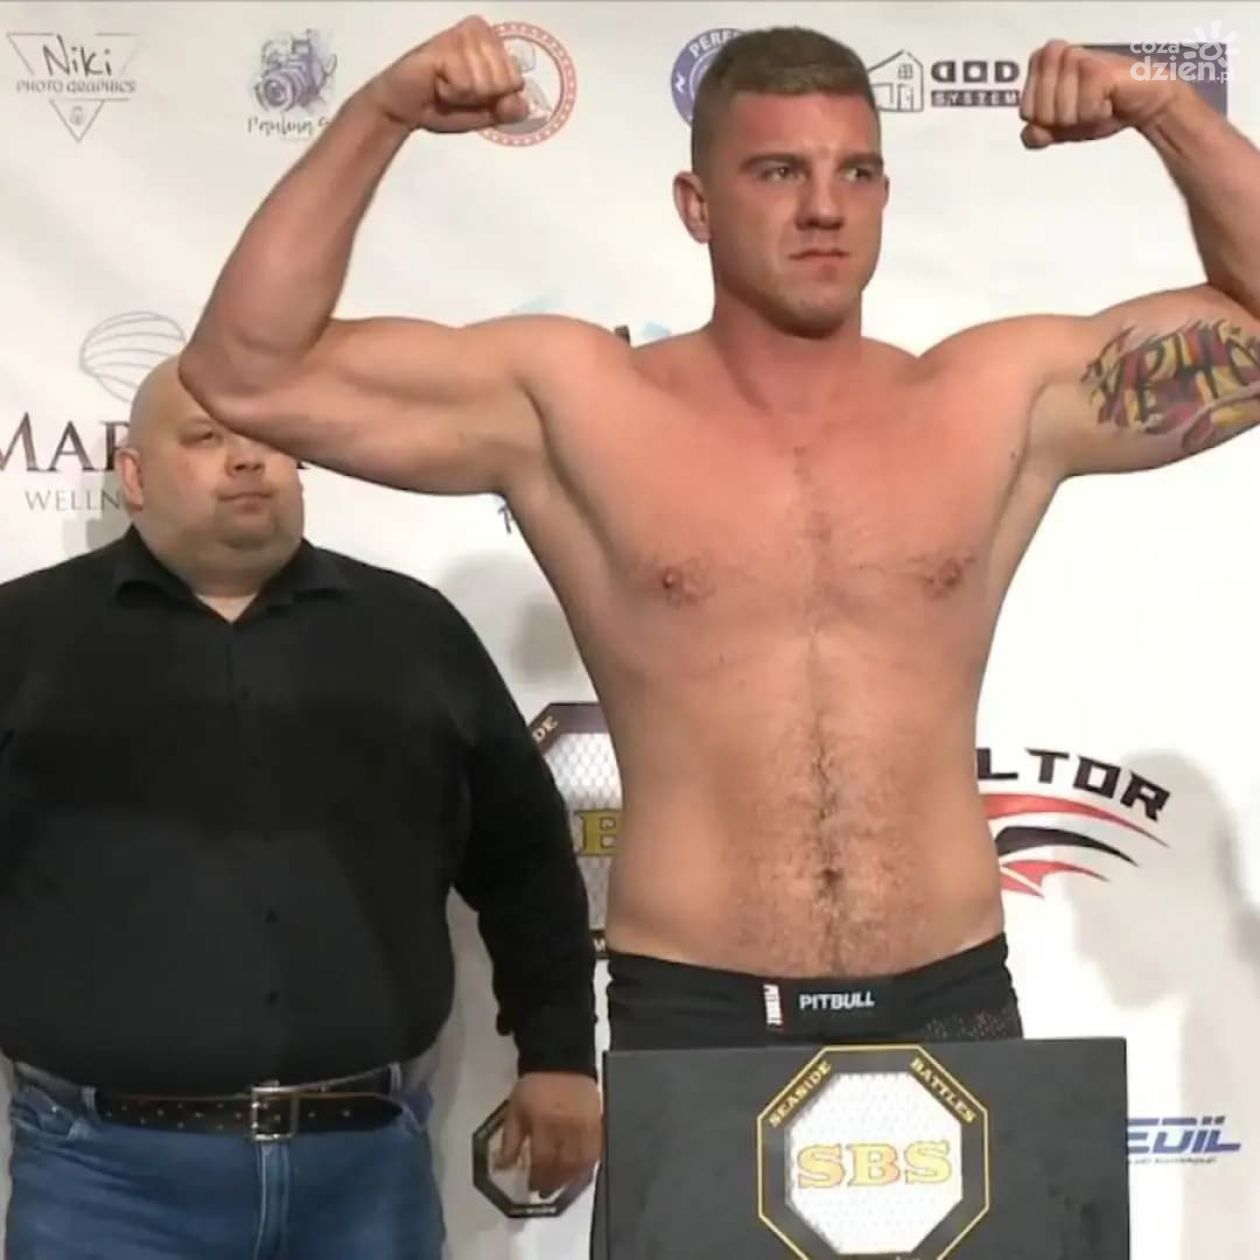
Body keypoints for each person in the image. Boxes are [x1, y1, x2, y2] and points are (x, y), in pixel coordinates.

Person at [178, 17, 1260, 1062]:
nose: (824, 209)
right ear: (697, 206)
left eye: (856, 173)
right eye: (779, 173)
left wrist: (1166, 108)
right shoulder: (581, 404)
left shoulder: (992, 400)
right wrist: (383, 111)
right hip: (701, 1009)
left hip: (951, 995)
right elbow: (246, 373)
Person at [0, 357, 601, 1260]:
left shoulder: (414, 631)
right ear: (133, 474)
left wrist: (559, 1055)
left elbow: (527, 863)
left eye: (268, 438)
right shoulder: (23, 639)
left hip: (365, 1180)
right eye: (206, 438)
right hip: (105, 1183)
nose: (247, 459)